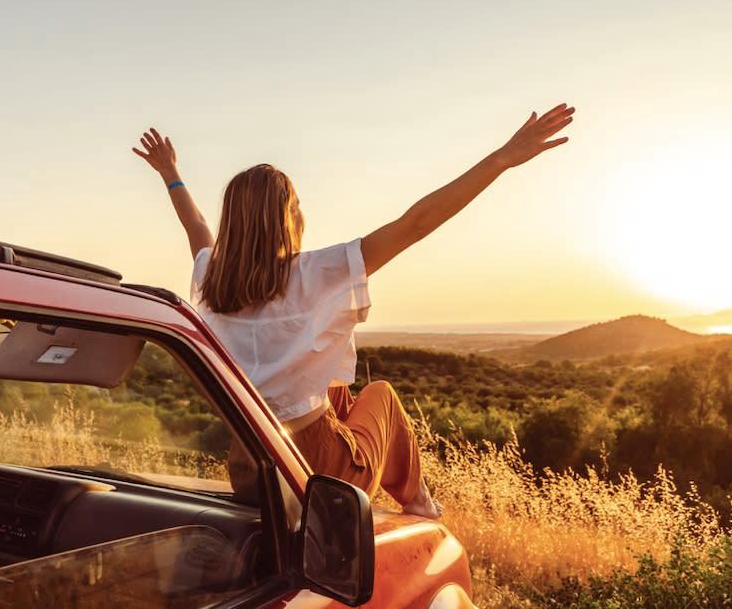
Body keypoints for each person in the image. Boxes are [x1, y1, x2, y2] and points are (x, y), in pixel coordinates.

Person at [132, 103, 574, 518]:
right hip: (320, 468)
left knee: (339, 393)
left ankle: (407, 490)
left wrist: (171, 174)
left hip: (249, 464)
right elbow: (416, 223)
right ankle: (418, 501)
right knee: (379, 394)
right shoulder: (317, 272)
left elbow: (197, 229)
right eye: (297, 205)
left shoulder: (212, 279)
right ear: (287, 216)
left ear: (234, 220)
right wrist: (501, 159)